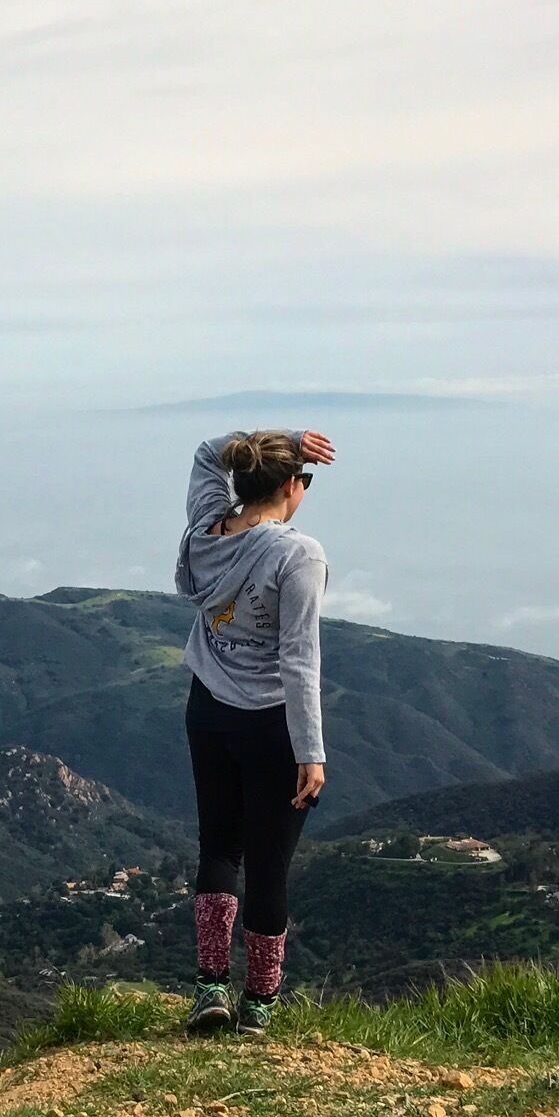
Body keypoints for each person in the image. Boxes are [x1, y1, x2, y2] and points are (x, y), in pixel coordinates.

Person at [175, 427, 335, 1035]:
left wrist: (281, 437)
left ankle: (210, 989)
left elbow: (204, 452)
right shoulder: (298, 555)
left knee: (219, 849)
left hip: (208, 711)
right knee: (269, 864)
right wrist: (310, 751)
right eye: (305, 480)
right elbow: (299, 660)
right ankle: (259, 1006)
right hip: (272, 724)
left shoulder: (204, 531)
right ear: (292, 486)